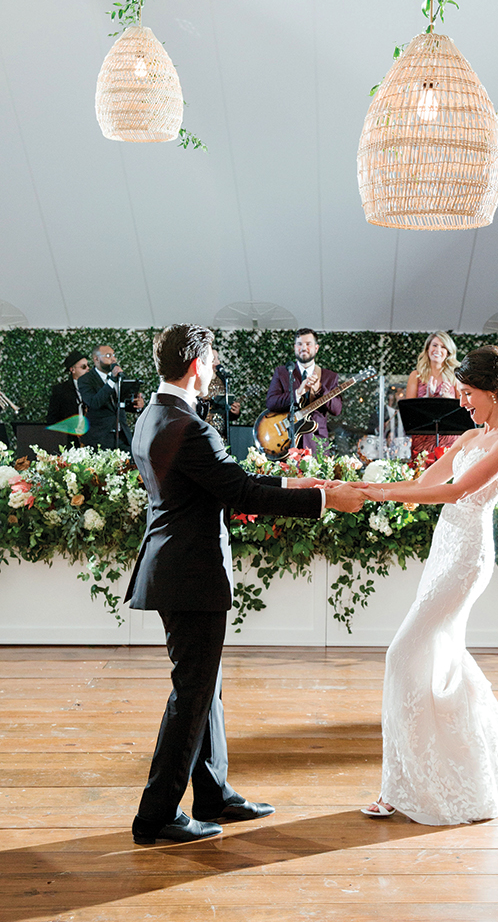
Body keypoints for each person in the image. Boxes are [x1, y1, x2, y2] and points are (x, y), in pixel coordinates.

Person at [125, 323, 365, 845]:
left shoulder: (155, 415)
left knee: (203, 689)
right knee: (191, 694)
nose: (214, 370)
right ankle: (156, 816)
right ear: (196, 365)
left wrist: (300, 482)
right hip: (190, 576)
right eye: (211, 361)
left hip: (177, 571)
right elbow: (239, 492)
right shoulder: (187, 425)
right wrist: (325, 500)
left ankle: (213, 793)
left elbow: (224, 480)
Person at [358, 345, 498, 825]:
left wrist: (380, 492)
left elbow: (455, 492)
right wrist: (366, 490)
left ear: (493, 392)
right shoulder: (471, 436)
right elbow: (427, 482)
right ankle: (470, 777)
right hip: (444, 548)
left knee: (402, 655)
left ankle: (399, 786)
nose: (463, 402)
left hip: (467, 557)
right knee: (442, 661)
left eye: (468, 393)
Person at [266, 328, 342, 453]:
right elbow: (271, 403)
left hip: (317, 445)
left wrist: (320, 389)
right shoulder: (282, 372)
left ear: (316, 348)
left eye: (308, 344)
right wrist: (297, 394)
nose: (303, 348)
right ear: (295, 347)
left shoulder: (330, 376)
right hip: (286, 443)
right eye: (299, 344)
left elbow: (337, 409)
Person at [405, 332, 460, 462]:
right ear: (428, 348)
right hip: (422, 439)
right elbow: (409, 412)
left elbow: (465, 407)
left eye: (443, 347)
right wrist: (427, 397)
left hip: (450, 439)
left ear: (448, 352)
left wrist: (449, 400)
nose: (438, 350)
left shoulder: (455, 376)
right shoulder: (416, 375)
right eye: (434, 345)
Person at [78, 344, 144, 450]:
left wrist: (137, 404)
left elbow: (122, 404)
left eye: (114, 355)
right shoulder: (85, 380)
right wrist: (111, 381)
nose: (113, 359)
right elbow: (94, 403)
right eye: (108, 355)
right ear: (96, 359)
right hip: (100, 438)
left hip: (122, 436)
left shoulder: (121, 377)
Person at [46, 349, 89, 427]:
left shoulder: (94, 388)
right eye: (83, 367)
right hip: (69, 435)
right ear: (72, 370)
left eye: (87, 366)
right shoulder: (60, 390)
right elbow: (52, 418)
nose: (87, 369)